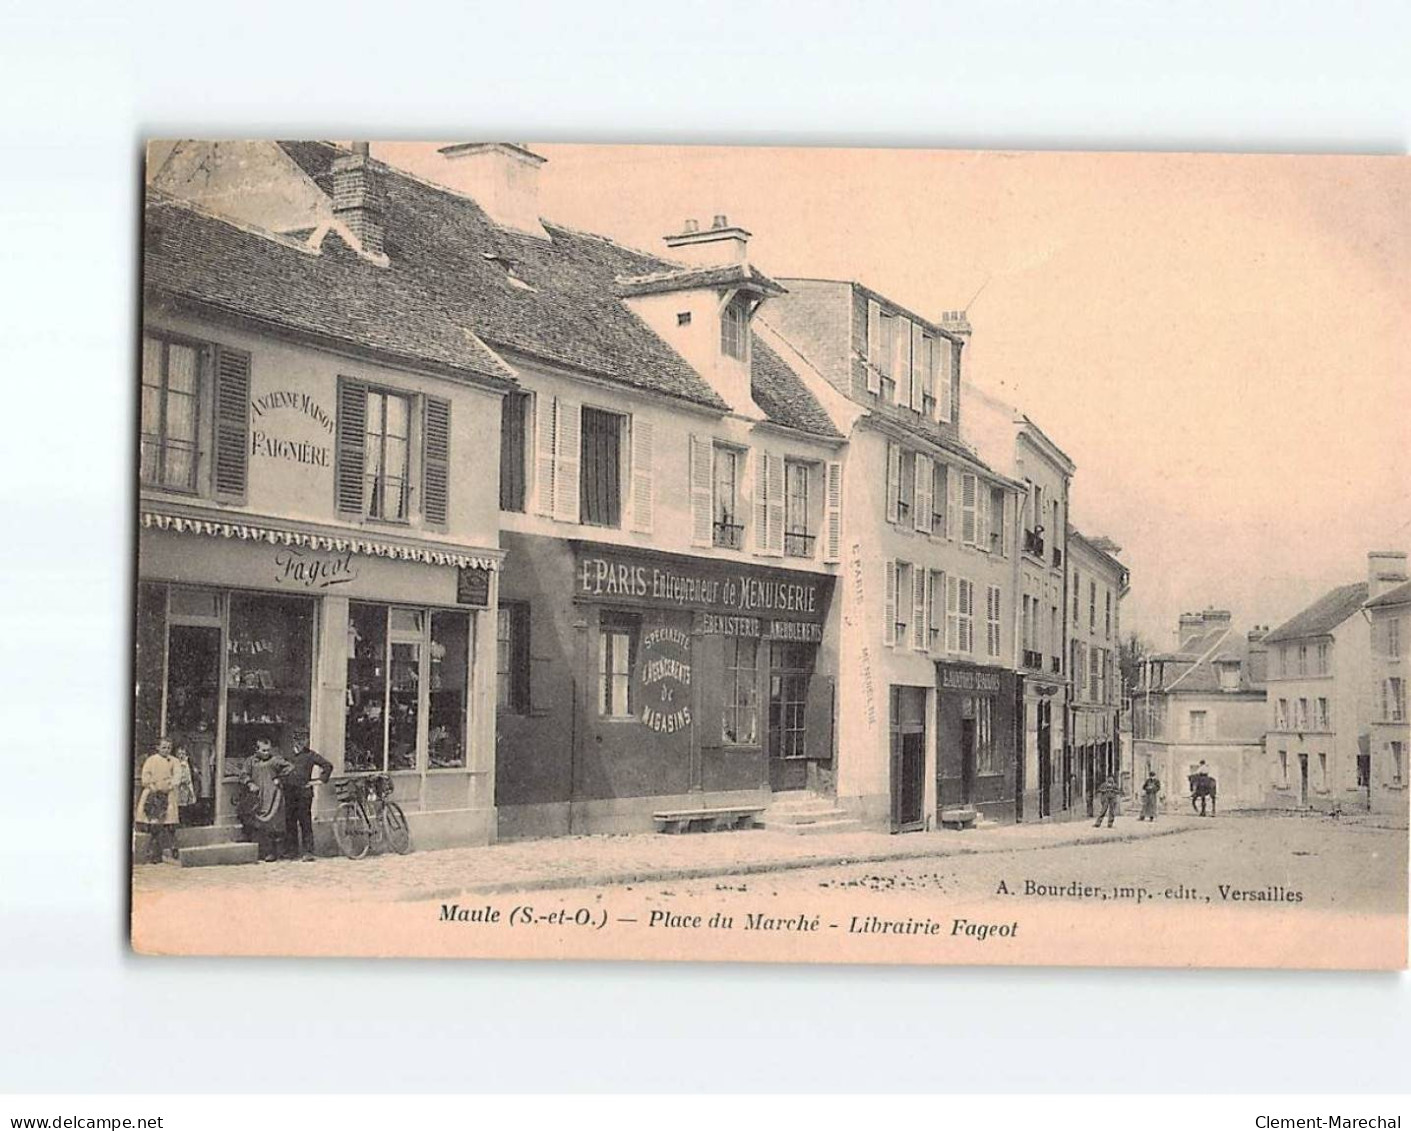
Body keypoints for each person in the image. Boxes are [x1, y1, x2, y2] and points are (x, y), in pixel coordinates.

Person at [283, 727, 333, 861]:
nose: (303, 742)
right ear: (294, 740)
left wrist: (318, 781)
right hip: (289, 792)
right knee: (290, 822)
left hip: (304, 793)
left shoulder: (310, 755)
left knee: (305, 822)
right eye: (300, 739)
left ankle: (309, 851)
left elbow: (327, 766)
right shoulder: (287, 755)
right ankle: (292, 851)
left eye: (305, 739)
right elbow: (279, 769)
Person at [240, 738, 293, 863]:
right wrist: (250, 783)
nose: (266, 753)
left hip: (273, 795)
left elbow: (290, 767)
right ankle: (263, 851)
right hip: (259, 795)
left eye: (268, 750)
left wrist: (279, 778)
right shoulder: (251, 761)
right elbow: (243, 774)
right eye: (263, 750)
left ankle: (275, 852)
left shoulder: (275, 759)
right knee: (259, 822)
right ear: (256, 749)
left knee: (274, 822)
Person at [135, 737, 182, 864]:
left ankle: (173, 848)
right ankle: (155, 853)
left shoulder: (174, 761)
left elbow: (177, 776)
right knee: (155, 823)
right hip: (153, 792)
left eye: (168, 748)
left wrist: (171, 785)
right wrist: (151, 786)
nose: (166, 750)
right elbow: (145, 776)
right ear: (158, 748)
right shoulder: (151, 760)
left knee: (170, 823)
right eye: (163, 747)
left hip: (168, 793)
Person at [173, 740, 198, 828]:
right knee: (178, 804)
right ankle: (178, 821)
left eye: (183, 753)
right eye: (179, 753)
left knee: (186, 804)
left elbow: (189, 775)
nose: (181, 755)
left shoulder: (187, 763)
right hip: (179, 786)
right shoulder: (176, 763)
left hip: (186, 787)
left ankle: (186, 821)